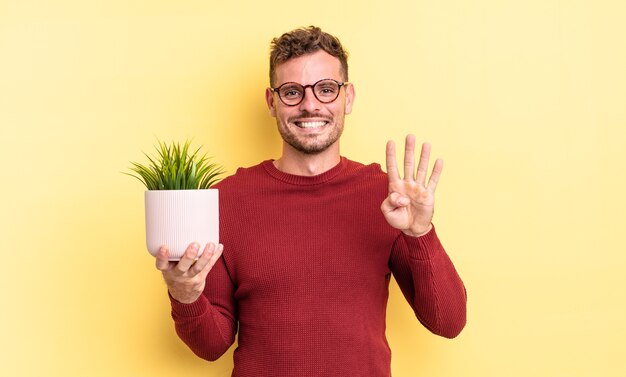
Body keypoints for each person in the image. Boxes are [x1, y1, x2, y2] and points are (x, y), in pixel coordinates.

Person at [155, 26, 466, 376]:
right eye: (291, 92)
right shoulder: (226, 199)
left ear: (347, 97)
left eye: (326, 89)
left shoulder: (388, 199)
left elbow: (448, 322)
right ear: (271, 102)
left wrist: (420, 233)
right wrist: (185, 296)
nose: (310, 104)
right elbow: (211, 346)